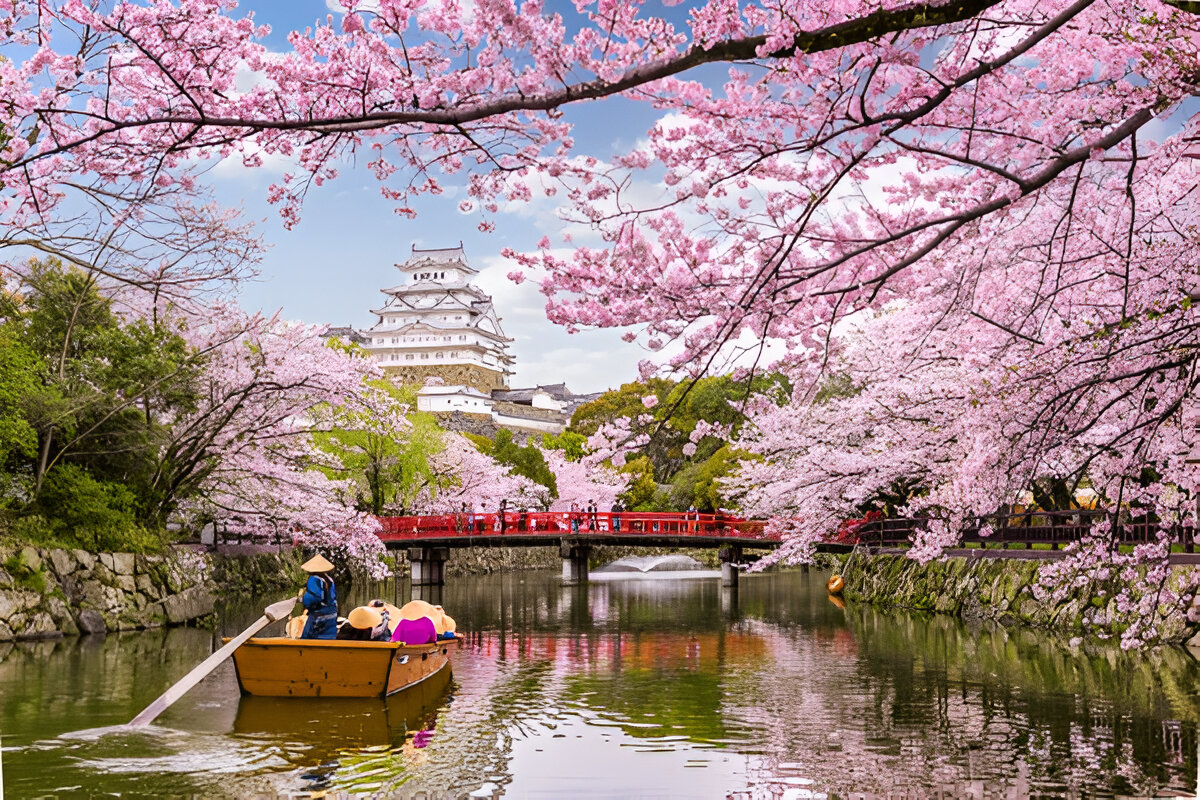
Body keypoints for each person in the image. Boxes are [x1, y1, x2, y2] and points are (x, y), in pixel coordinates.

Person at [299, 554, 338, 639]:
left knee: (308, 637)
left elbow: (312, 599)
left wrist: (302, 599)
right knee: (328, 637)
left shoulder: (314, 580)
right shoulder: (329, 579)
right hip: (332, 614)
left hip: (319, 615)